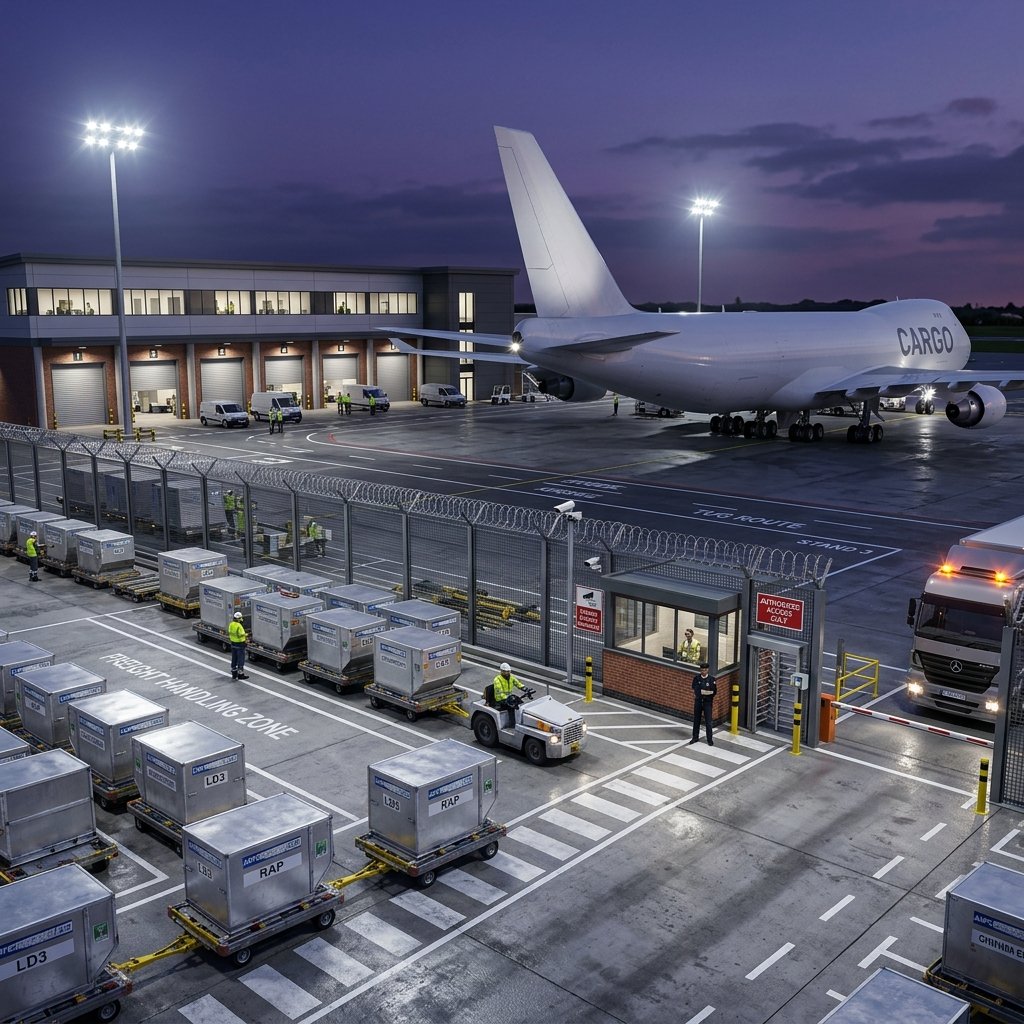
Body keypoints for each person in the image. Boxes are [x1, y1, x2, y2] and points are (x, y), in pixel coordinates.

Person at [689, 661, 717, 746]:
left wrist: (705, 693)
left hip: (707, 702)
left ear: (707, 670)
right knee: (696, 720)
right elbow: (695, 689)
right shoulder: (696, 678)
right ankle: (695, 737)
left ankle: (709, 739)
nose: (703, 672)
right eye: (702, 670)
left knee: (708, 721)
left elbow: (714, 691)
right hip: (698, 702)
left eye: (705, 670)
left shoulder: (712, 679)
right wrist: (702, 692)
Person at [493, 662, 526, 728]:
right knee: (511, 708)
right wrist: (508, 698)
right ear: (501, 671)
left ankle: (519, 721)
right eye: (505, 671)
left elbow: (518, 683)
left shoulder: (511, 677)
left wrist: (525, 688)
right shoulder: (497, 680)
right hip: (501, 699)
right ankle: (512, 725)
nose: (507, 673)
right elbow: (499, 693)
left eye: (508, 671)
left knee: (519, 702)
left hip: (509, 698)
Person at [228, 611, 249, 680]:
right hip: (240, 644)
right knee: (241, 659)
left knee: (234, 658)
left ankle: (234, 674)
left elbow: (229, 632)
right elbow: (241, 634)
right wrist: (247, 634)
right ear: (239, 619)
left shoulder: (231, 624)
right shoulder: (239, 625)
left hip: (233, 643)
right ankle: (240, 674)